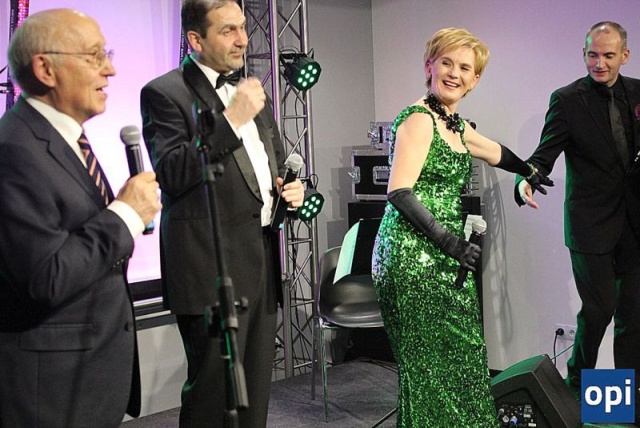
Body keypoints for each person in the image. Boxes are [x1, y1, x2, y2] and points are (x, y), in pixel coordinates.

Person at [371, 27, 553, 426]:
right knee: (428, 367)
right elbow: (399, 192)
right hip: (412, 255)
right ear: (429, 66)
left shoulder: (452, 123)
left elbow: (492, 150)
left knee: (464, 356)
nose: (454, 73)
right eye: (447, 63)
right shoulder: (419, 120)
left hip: (445, 256)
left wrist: (528, 171)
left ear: (475, 79)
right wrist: (450, 243)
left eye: (465, 68)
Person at [139, 0, 304, 426]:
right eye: (228, 30)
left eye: (243, 27)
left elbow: (272, 164)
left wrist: (290, 189)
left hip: (261, 261)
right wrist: (231, 120)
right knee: (213, 397)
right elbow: (173, 174)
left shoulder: (250, 90)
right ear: (196, 39)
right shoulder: (164, 93)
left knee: (255, 395)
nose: (243, 39)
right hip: (207, 268)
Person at [0, 8, 162, 428]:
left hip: (88, 376)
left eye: (106, 54)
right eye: (94, 56)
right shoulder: (14, 149)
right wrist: (125, 213)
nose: (110, 69)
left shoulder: (65, 137)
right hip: (51, 392)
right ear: (45, 69)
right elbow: (45, 276)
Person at [516, 21, 640, 416]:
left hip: (635, 223)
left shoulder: (638, 92)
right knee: (599, 309)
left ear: (624, 55)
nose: (599, 63)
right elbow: (544, 154)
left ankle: (628, 401)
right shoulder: (567, 100)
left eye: (608, 55)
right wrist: (526, 179)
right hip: (590, 224)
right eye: (592, 55)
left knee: (633, 316)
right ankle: (578, 384)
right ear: (583, 54)